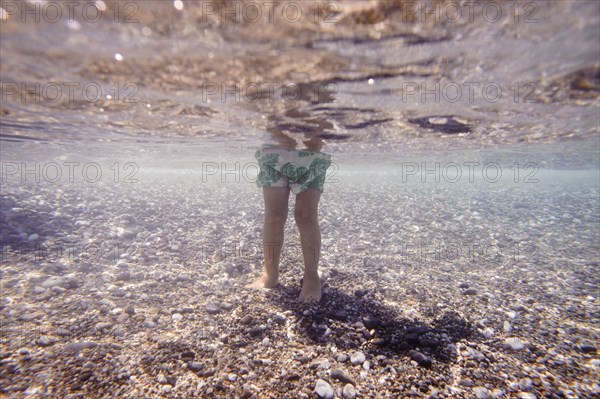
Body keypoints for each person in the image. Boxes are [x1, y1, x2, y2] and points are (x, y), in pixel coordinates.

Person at [247, 137, 332, 303]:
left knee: (306, 216)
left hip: (312, 156)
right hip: (273, 155)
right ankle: (270, 274)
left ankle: (312, 276)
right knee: (274, 217)